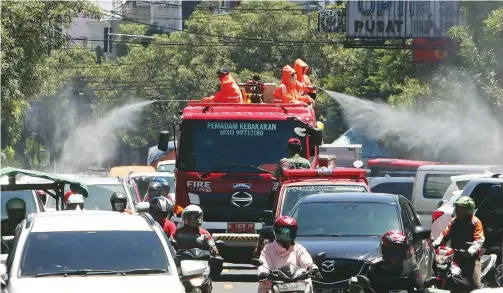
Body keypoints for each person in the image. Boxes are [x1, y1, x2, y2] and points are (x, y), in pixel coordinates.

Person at [257, 216, 321, 293]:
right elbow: (264, 264)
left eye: (288, 232)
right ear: (275, 232)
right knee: (263, 286)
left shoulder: (298, 248)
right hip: (273, 283)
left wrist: (313, 269)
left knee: (308, 283)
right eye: (282, 232)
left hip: (298, 285)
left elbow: (306, 261)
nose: (285, 235)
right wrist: (263, 272)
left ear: (294, 233)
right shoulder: (268, 249)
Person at [433, 196, 484, 290]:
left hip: (471, 258)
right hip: (455, 256)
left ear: (469, 210)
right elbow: (444, 234)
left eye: (461, 208)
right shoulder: (453, 221)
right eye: (457, 208)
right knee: (446, 278)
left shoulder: (476, 222)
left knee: (476, 285)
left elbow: (479, 239)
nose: (458, 210)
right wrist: (436, 242)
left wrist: (470, 250)